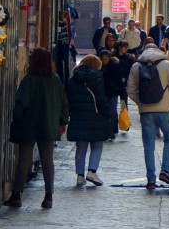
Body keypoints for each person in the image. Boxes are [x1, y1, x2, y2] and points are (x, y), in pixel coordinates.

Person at [6, 48, 69, 209]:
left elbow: (22, 103)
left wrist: (17, 118)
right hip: (48, 125)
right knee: (48, 161)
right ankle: (48, 196)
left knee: (24, 160)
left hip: (29, 125)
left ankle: (16, 195)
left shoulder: (29, 79)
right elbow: (63, 103)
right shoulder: (55, 80)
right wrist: (62, 122)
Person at [126, 39, 169, 190]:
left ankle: (151, 179)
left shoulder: (136, 66)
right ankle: (166, 171)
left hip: (146, 112)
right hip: (165, 111)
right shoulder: (166, 64)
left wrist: (141, 103)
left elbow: (130, 90)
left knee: (148, 146)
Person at [66, 55, 112, 187]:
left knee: (81, 147)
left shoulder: (73, 79)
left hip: (78, 117)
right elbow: (101, 100)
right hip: (96, 117)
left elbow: (69, 99)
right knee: (97, 146)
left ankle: (80, 176)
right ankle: (92, 171)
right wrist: (107, 114)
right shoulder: (97, 79)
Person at [99, 48, 125, 139]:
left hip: (113, 93)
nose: (104, 61)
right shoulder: (98, 68)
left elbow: (119, 82)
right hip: (102, 93)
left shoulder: (115, 67)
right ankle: (105, 129)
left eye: (106, 59)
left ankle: (111, 130)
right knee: (103, 112)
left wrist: (123, 95)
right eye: (102, 59)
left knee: (112, 112)